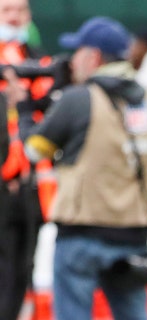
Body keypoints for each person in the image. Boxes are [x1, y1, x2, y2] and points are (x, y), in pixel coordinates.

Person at [5, 16, 147, 319]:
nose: (72, 61)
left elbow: (33, 150)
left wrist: (24, 108)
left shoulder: (78, 99)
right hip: (134, 235)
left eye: (77, 52)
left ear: (93, 57)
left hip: (82, 235)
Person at [0, 0, 54, 318]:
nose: (15, 17)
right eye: (7, 11)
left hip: (30, 186)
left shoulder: (38, 59)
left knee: (22, 269)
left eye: (20, 10)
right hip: (5, 184)